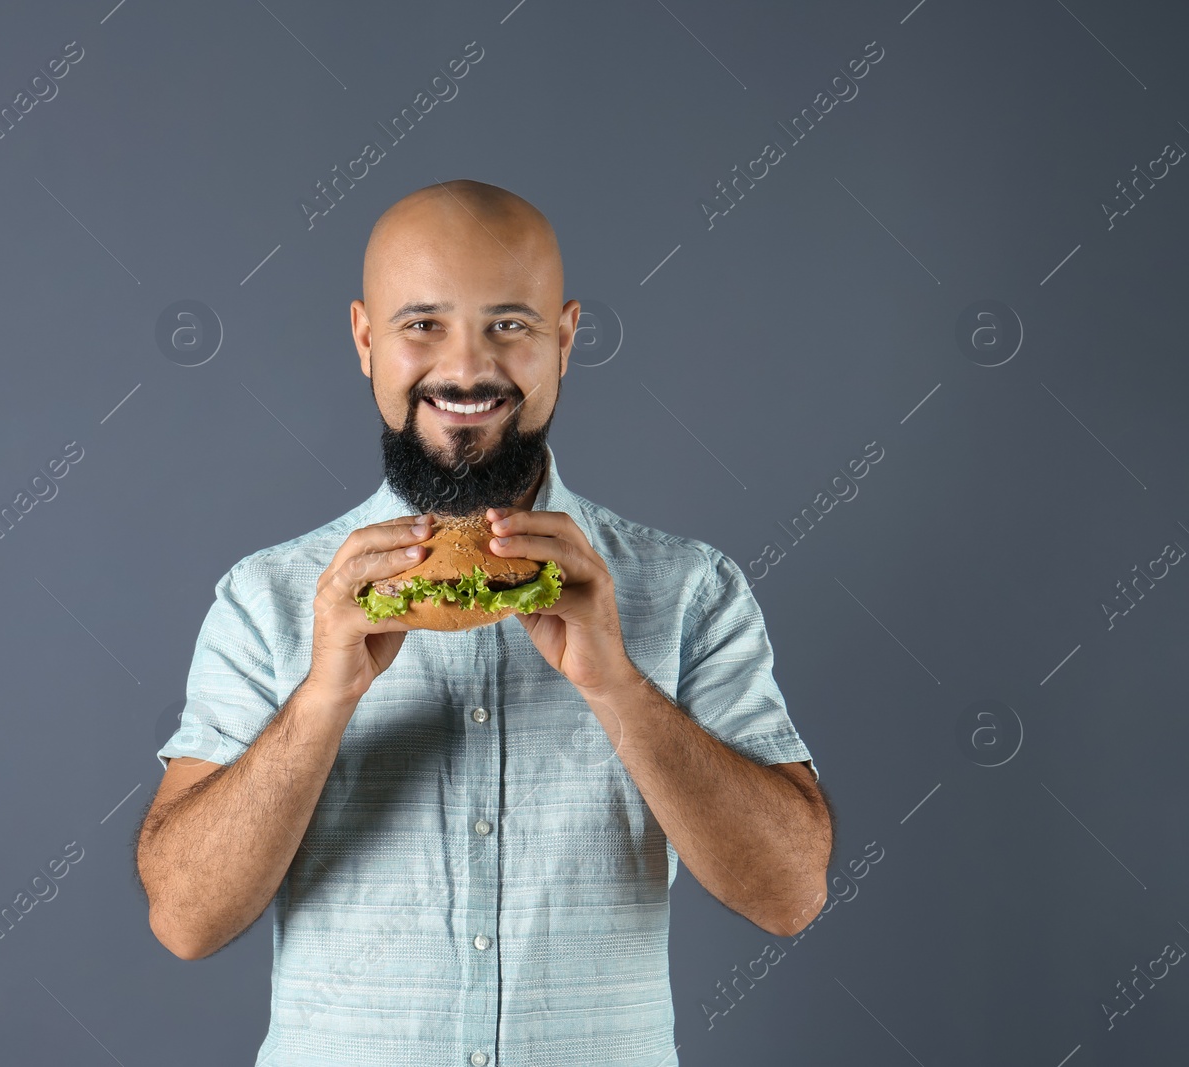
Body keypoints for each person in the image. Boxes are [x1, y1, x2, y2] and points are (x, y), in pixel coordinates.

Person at [135, 178, 832, 1066]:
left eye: (509, 324)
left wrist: (617, 684)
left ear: (566, 339)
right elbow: (186, 920)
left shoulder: (690, 588)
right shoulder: (267, 596)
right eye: (422, 324)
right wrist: (320, 701)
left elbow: (790, 894)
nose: (466, 369)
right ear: (365, 340)